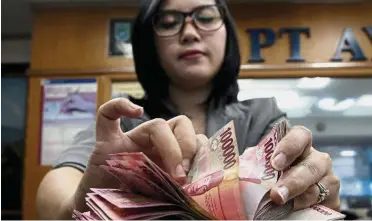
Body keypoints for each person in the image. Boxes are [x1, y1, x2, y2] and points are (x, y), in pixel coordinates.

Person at [36, 0, 341, 219]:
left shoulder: (262, 116)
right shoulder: (125, 124)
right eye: (168, 23)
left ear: (227, 34)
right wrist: (85, 199)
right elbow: (54, 192)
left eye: (206, 17)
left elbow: (297, 193)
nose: (190, 33)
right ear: (150, 45)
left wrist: (319, 194)